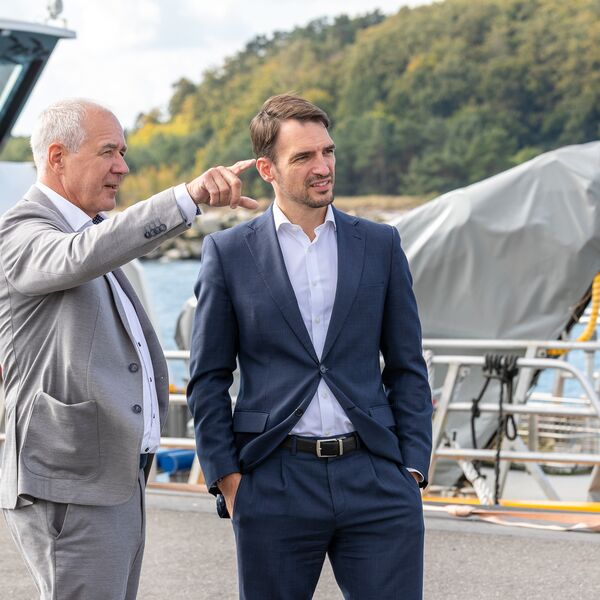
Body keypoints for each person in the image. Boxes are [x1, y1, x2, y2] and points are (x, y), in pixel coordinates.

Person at [0, 98, 257, 600]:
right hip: (70, 485)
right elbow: (79, 256)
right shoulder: (21, 231)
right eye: (108, 152)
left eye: (123, 152)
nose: (123, 166)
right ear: (57, 157)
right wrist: (187, 197)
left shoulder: (89, 231)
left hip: (110, 478)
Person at [187, 94, 433, 599]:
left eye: (328, 151)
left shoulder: (381, 244)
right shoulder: (229, 253)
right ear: (267, 169)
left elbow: (407, 365)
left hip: (375, 477)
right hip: (273, 480)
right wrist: (227, 479)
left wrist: (412, 469)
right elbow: (208, 378)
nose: (322, 167)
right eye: (303, 157)